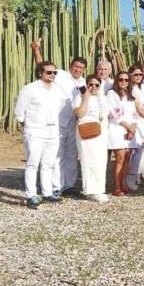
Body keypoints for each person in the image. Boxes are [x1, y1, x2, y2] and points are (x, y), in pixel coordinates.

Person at [31, 39, 86, 196]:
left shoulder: (83, 82)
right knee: (56, 155)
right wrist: (36, 50)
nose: (77, 69)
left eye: (80, 67)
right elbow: (43, 67)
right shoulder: (60, 74)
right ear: (71, 65)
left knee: (71, 155)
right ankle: (56, 186)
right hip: (57, 121)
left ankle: (69, 185)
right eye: (75, 66)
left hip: (74, 123)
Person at [15, 61, 64, 209]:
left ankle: (47, 192)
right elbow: (19, 111)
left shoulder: (57, 90)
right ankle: (31, 195)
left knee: (48, 164)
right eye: (49, 72)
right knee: (32, 163)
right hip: (35, 131)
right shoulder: (29, 89)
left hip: (53, 131)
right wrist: (27, 126)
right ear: (40, 73)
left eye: (54, 72)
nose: (52, 75)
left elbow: (61, 107)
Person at [106, 72, 144, 196]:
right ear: (117, 80)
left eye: (126, 80)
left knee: (127, 158)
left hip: (130, 129)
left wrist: (133, 129)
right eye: (121, 79)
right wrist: (128, 128)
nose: (123, 82)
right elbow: (114, 114)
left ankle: (123, 183)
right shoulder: (112, 94)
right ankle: (116, 186)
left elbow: (135, 115)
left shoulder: (131, 96)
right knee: (120, 158)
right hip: (117, 128)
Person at [73, 74, 110, 203]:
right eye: (91, 84)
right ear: (86, 84)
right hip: (87, 131)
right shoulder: (80, 96)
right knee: (89, 160)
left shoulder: (103, 98)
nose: (93, 87)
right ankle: (90, 190)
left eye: (96, 85)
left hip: (101, 133)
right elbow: (79, 113)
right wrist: (86, 98)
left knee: (100, 161)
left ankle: (99, 189)